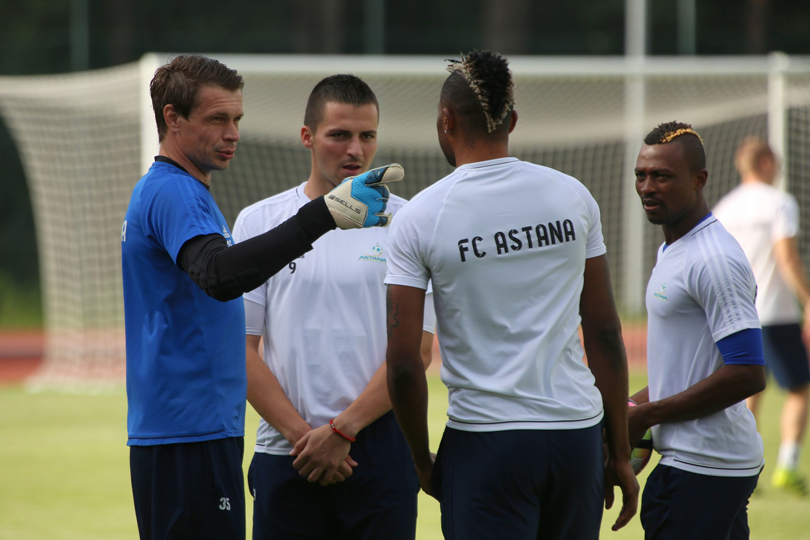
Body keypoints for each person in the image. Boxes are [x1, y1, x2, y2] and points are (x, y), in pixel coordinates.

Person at [121, 55, 401, 540]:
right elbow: (219, 275)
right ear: (172, 118)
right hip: (190, 430)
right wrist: (324, 216)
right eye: (217, 119)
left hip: (192, 430)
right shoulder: (176, 194)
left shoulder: (182, 192)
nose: (232, 133)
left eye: (237, 120)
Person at [384, 51, 638, 540]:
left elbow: (402, 363)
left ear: (445, 120)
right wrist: (620, 452)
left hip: (486, 444)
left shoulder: (420, 216)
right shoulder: (572, 195)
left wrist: (420, 459)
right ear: (513, 121)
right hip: (576, 440)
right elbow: (605, 333)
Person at [232, 74, 435, 540]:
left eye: (367, 136)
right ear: (307, 137)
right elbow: (239, 349)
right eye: (339, 135)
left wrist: (343, 431)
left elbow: (418, 351)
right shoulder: (260, 221)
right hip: (288, 452)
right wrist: (307, 439)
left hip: (381, 452)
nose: (356, 151)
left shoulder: (407, 222)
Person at [629, 121, 767, 539]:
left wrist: (648, 415)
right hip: (693, 463)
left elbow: (747, 372)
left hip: (706, 467)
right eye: (641, 175)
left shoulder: (714, 259)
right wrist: (631, 410)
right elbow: (689, 369)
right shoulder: (673, 248)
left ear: (699, 180)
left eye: (662, 176)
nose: (648, 187)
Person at [714, 137, 810, 496]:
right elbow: (786, 258)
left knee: (747, 392)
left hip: (736, 315)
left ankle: (742, 467)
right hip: (774, 312)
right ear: (767, 163)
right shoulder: (780, 203)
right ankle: (787, 466)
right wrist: (807, 298)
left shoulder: (725, 207)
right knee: (799, 388)